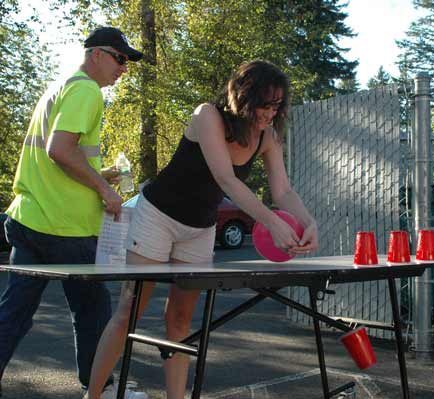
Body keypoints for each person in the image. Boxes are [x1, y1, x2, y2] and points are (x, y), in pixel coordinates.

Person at [86, 60, 319, 399]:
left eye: (277, 105)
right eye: (265, 104)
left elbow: (282, 191)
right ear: (243, 95)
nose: (271, 112)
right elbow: (224, 177)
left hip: (200, 227)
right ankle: (92, 395)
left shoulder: (267, 136)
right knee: (129, 312)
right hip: (157, 215)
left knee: (180, 321)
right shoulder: (207, 115)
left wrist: (308, 221)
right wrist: (271, 221)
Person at [0, 27, 147, 399]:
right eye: (119, 57)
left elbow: (58, 156)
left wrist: (101, 174)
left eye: (127, 61)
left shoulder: (60, 85)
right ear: (95, 54)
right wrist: (104, 190)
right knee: (94, 312)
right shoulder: (86, 90)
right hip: (66, 228)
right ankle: (101, 388)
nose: (123, 67)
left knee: (13, 314)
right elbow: (60, 150)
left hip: (30, 218)